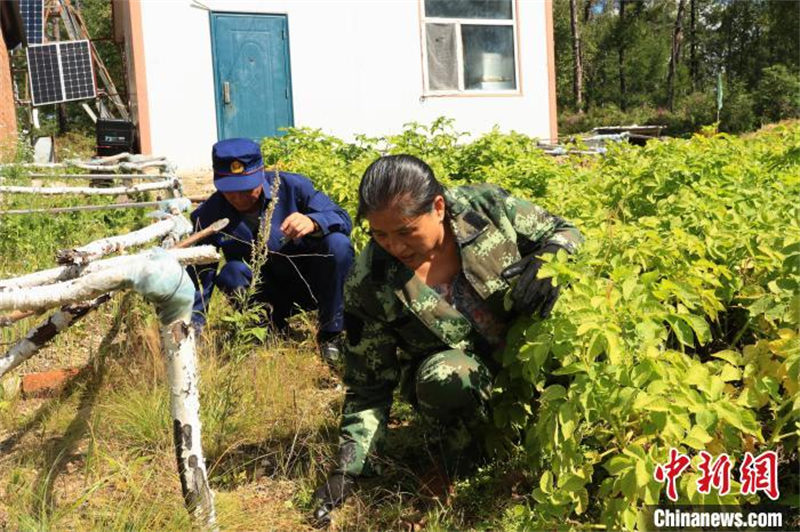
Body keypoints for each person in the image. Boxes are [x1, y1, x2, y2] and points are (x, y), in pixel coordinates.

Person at [311, 154, 583, 524]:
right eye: (380, 234)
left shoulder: (485, 209)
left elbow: (567, 232)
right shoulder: (369, 280)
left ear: (438, 207)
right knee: (445, 376)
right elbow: (368, 385)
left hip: (530, 356)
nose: (395, 246)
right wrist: (347, 470)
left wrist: (550, 259)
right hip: (462, 379)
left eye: (406, 231)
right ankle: (463, 455)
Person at [187, 138, 354, 363]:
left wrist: (314, 221)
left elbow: (343, 218)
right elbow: (200, 279)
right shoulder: (209, 214)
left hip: (311, 285)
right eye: (230, 191)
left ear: (261, 174)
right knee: (232, 272)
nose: (238, 197)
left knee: (338, 244)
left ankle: (331, 334)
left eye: (246, 189)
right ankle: (266, 329)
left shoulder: (294, 188)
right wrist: (193, 333)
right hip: (266, 293)